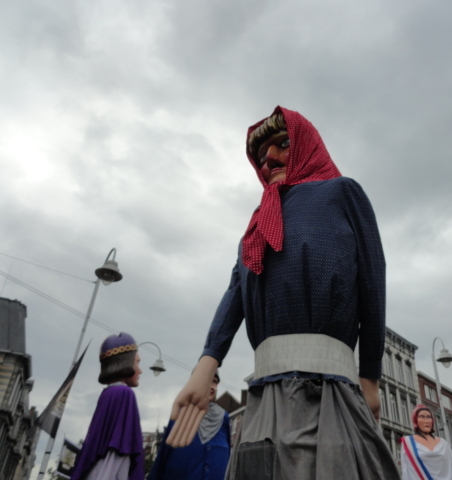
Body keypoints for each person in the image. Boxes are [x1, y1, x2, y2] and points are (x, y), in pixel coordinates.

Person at [166, 106, 399, 479]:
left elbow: (373, 279)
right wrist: (205, 366)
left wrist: (370, 377)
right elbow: (236, 291)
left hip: (330, 389)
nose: (269, 159)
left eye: (283, 143)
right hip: (265, 396)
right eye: (261, 156)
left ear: (306, 144)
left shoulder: (343, 193)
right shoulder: (259, 222)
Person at [70, 332, 144, 480]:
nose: (140, 370)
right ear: (125, 362)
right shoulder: (124, 393)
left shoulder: (108, 394)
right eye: (137, 362)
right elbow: (120, 449)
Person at [148, 372, 230, 480]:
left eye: (214, 382)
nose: (211, 386)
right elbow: (163, 455)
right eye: (206, 380)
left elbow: (229, 461)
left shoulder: (223, 417)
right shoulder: (181, 414)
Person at [400, 404, 452, 480]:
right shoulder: (408, 443)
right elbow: (406, 472)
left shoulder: (444, 444)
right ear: (415, 420)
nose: (426, 421)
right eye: (422, 417)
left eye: (429, 417)